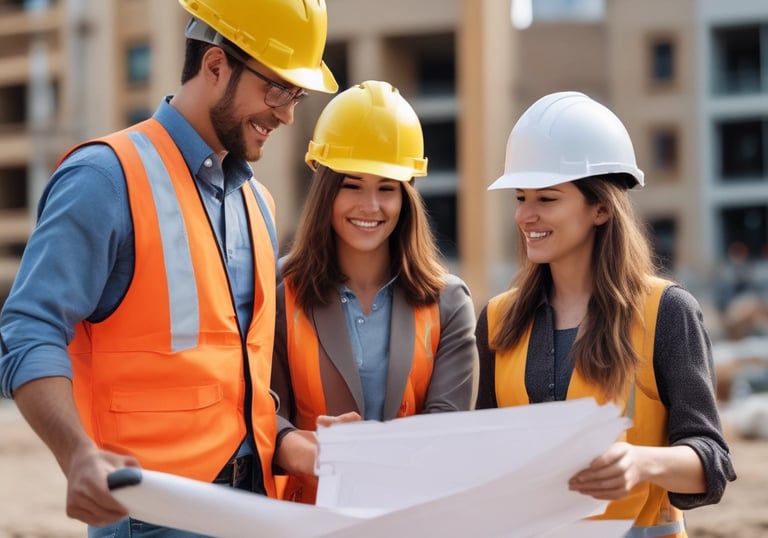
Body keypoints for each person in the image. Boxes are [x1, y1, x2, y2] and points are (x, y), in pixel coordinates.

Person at [0, 0, 338, 535]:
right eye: (277, 89)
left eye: (296, 94)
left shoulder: (260, 206)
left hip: (255, 506)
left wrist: (290, 438)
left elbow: (230, 377)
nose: (287, 114)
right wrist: (77, 455)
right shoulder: (104, 179)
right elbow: (29, 328)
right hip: (151, 514)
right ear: (215, 66)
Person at [475, 91, 736, 537]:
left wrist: (640, 462)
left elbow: (712, 464)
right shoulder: (498, 320)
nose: (525, 215)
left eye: (547, 198)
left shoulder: (666, 313)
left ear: (600, 208)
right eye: (521, 197)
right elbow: (481, 458)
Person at [270, 80, 479, 504]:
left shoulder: (449, 302)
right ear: (326, 190)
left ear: (406, 198)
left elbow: (447, 431)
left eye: (387, 188)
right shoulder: (279, 292)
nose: (370, 206)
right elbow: (259, 411)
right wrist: (302, 446)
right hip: (306, 523)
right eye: (352, 185)